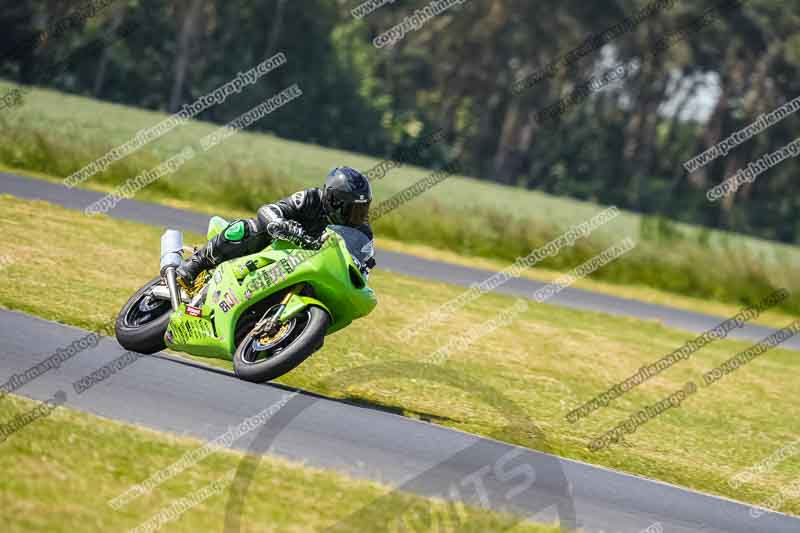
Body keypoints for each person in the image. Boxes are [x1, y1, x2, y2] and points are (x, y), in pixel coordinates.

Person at [177, 166, 374, 284]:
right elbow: (269, 209)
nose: (358, 216)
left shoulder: (361, 231)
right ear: (334, 200)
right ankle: (196, 262)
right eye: (353, 209)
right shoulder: (311, 198)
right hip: (274, 247)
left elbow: (362, 265)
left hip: (309, 267)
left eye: (363, 209)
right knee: (248, 228)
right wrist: (281, 225)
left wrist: (362, 268)